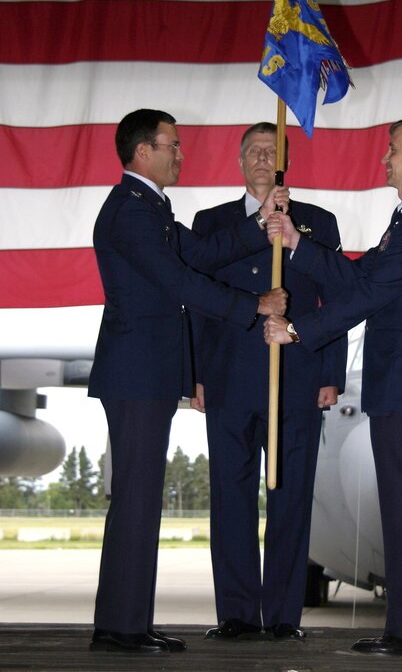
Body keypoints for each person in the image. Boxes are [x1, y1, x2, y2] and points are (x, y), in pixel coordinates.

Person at [88, 109, 288, 655]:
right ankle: (122, 628)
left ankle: (124, 621)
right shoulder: (132, 212)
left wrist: (258, 223)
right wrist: (254, 306)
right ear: (142, 152)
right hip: (136, 374)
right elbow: (181, 280)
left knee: (139, 498)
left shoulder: (149, 208)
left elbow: (201, 253)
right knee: (135, 499)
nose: (181, 154)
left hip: (144, 373)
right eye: (172, 146)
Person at [264, 116, 402, 658]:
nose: (385, 158)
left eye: (393, 149)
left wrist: (299, 330)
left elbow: (368, 294)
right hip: (401, 383)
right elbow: (358, 278)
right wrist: (296, 242)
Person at [191, 122, 347, 640]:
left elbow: (336, 301)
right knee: (230, 498)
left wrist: (331, 374)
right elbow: (196, 301)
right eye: (253, 151)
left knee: (291, 498)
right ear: (239, 160)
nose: (262, 158)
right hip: (229, 379)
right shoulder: (210, 223)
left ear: (285, 160)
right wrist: (195, 375)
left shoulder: (317, 222)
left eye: (271, 150)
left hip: (299, 380)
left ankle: (283, 616)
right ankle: (236, 613)